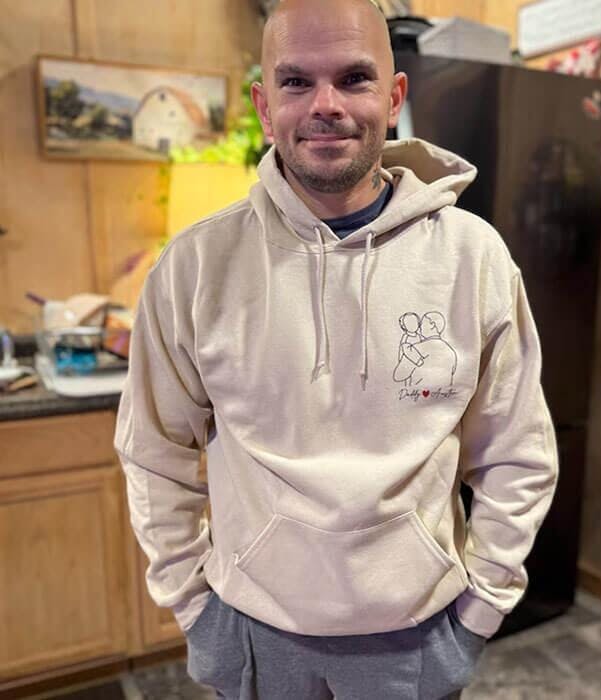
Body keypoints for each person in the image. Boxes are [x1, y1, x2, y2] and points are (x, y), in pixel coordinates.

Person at [114, 0, 559, 697]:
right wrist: (195, 608)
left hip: (420, 635)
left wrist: (483, 607)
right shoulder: (195, 268)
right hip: (255, 632)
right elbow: (152, 450)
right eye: (296, 81)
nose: (326, 104)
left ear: (394, 97)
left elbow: (517, 452)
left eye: (354, 78)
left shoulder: (474, 259)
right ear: (265, 107)